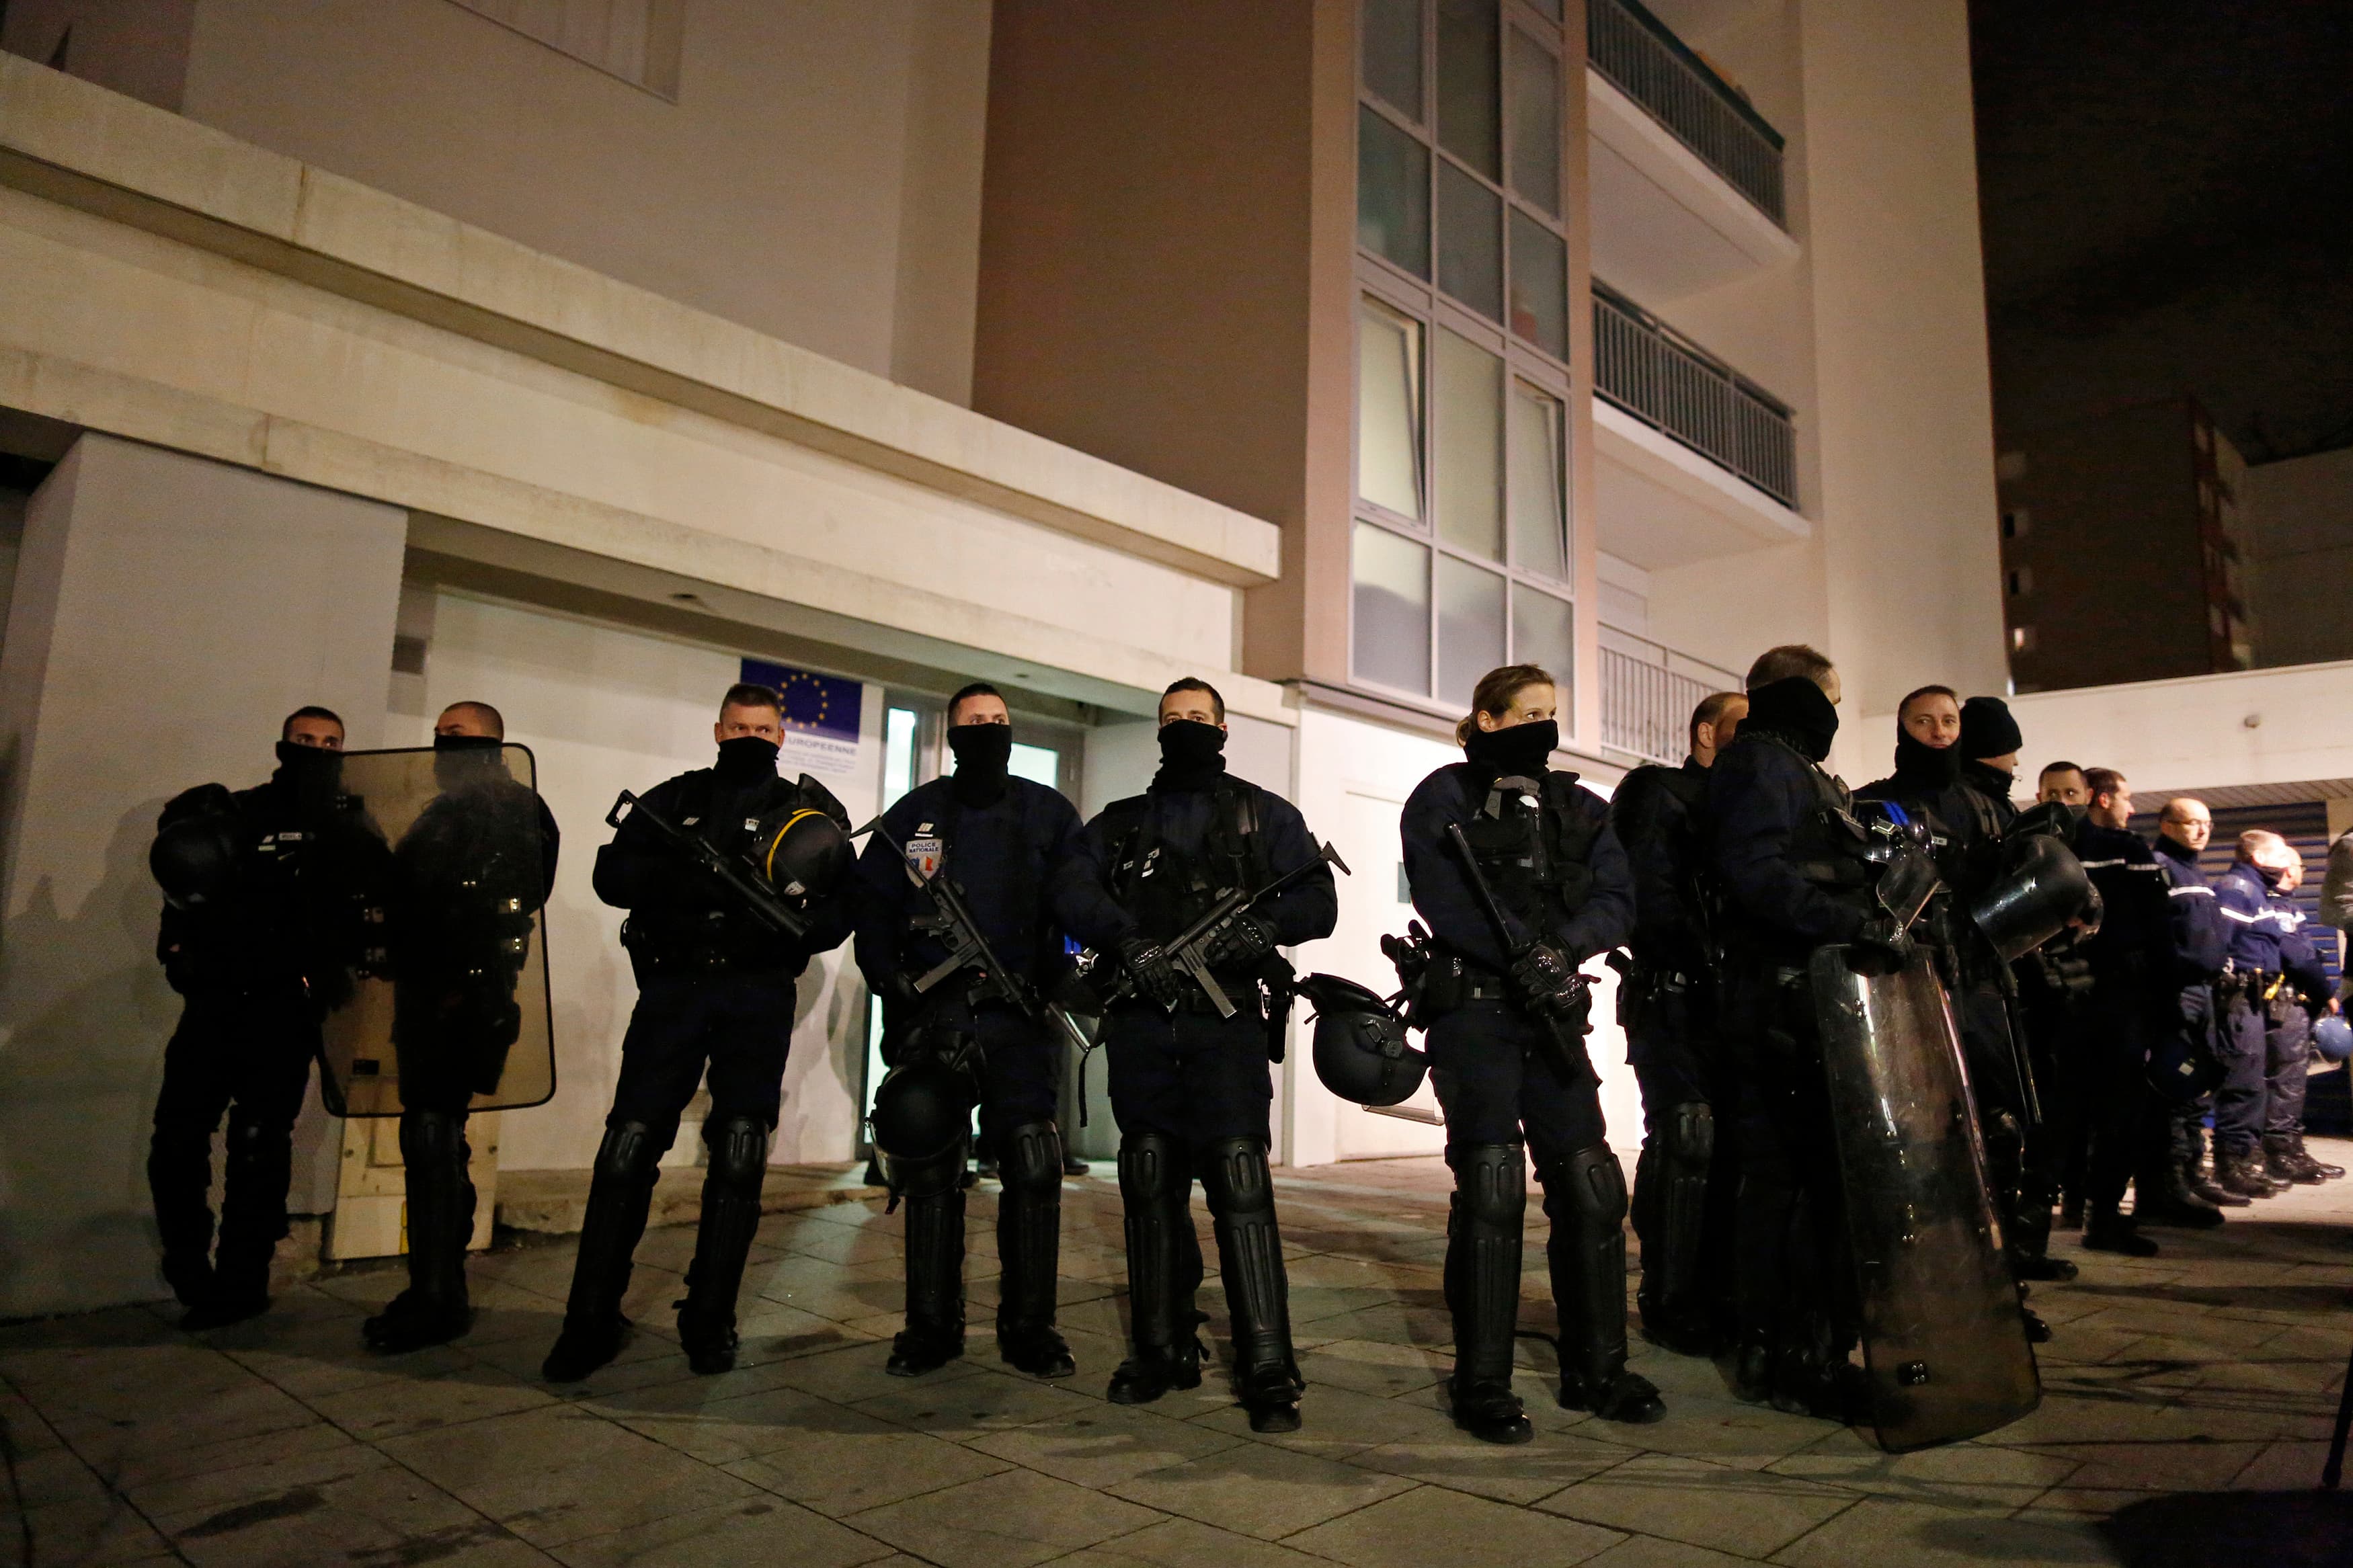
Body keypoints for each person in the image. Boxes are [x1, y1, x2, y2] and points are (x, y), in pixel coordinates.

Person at [543, 683, 854, 1381]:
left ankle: (708, 1318)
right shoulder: (673, 798)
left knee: (741, 1149)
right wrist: (691, 880)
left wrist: (792, 917)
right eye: (738, 726)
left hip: (756, 992)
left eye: (763, 728)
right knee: (626, 1147)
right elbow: (611, 873)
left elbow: (840, 907)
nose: (750, 737)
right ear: (718, 730)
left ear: (782, 736)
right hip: (674, 989)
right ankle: (588, 1320)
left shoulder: (807, 814)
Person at [1068, 678, 1337, 1434]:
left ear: (1222, 727)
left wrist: (1266, 929)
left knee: (1239, 1180)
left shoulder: (1262, 816)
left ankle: (1266, 1361)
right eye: (1172, 718)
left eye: (1198, 717)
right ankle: (1160, 1347)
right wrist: (1127, 942)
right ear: (1157, 729)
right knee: (1149, 1176)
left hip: (1226, 1027)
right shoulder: (1120, 824)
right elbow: (1071, 887)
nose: (1185, 727)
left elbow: (1318, 898)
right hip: (1146, 1023)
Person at [1401, 664, 1657, 1445]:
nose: (1543, 724)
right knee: (1491, 1186)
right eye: (1527, 712)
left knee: (1588, 1184)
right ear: (1486, 717)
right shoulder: (1441, 795)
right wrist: (1518, 956)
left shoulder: (1580, 805)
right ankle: (1482, 1381)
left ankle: (1598, 1367)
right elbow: (1441, 898)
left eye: (1552, 712)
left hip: (1551, 1014)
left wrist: (1563, 952)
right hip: (1474, 1011)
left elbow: (1618, 897)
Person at [849, 682, 1121, 1380]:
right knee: (931, 1164)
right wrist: (889, 977)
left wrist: (1071, 973)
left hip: (1019, 1016)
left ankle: (1030, 1327)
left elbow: (1078, 899)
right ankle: (928, 1327)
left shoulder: (1047, 812)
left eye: (997, 721)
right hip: (934, 1019)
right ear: (950, 733)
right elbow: (872, 902)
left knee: (1032, 1163)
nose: (986, 730)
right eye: (973, 721)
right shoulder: (915, 815)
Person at [147, 706, 379, 1329]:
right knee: (178, 1135)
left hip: (285, 1008)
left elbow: (376, 902)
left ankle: (242, 1280)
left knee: (259, 1146)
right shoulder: (240, 811)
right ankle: (188, 1261)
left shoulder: (349, 824)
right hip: (217, 999)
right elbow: (186, 890)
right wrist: (183, 960)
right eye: (306, 740)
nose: (317, 751)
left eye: (330, 743)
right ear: (284, 742)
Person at [1708, 644, 1892, 1420]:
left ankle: (1810, 1343)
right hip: (1780, 1002)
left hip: (1809, 998)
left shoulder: (1799, 769)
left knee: (1817, 1184)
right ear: (1799, 695)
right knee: (1792, 1183)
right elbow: (1755, 873)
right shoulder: (1760, 764)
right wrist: (1849, 920)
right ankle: (1789, 1355)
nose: (1836, 713)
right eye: (1831, 697)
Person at [364, 702, 560, 1352]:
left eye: (463, 738)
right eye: (443, 736)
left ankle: (439, 1295)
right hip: (424, 994)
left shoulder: (512, 809)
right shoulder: (439, 811)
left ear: (496, 744)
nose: (449, 747)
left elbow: (508, 898)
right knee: (435, 1136)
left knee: (432, 1132)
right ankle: (435, 1283)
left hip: (469, 996)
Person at [1856, 690, 2059, 1296]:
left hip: (1983, 989)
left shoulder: (1989, 807)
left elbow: (2029, 883)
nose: (1939, 731)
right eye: (1925, 720)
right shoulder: (1875, 801)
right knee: (1914, 1134)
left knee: (1998, 1129)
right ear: (1902, 725)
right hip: (1908, 987)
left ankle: (1997, 1284)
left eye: (1949, 721)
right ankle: (1915, 1276)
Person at [1607, 689, 1746, 1358]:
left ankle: (1726, 1289)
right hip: (1674, 995)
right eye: (1739, 727)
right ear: (1703, 731)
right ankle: (1668, 1295)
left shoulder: (1763, 806)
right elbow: (1643, 894)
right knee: (1687, 1130)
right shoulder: (1660, 791)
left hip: (1745, 1005)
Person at [2059, 769, 2168, 1253]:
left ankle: (2100, 1211)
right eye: (2053, 793)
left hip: (2113, 995)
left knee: (2113, 1110)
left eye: (2070, 792)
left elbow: (2156, 926)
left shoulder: (2125, 849)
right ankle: (2087, 1210)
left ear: (2086, 796)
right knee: (2085, 1109)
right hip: (2081, 998)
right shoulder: (2039, 848)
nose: (2062, 801)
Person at [2146, 797, 2237, 1221]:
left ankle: (2193, 1173)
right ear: (2167, 825)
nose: (2201, 831)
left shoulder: (2195, 872)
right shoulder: (2158, 866)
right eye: (2191, 823)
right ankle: (2171, 1184)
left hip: (2204, 992)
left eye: (2207, 823)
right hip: (2177, 992)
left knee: (2199, 1083)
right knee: (2176, 1085)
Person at [2212, 831, 2303, 1198]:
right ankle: (2233, 1164)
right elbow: (2220, 943)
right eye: (2280, 855)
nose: (2286, 864)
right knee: (2241, 1083)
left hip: (2252, 998)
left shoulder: (2255, 891)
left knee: (2251, 1083)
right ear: (2258, 857)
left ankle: (2246, 1159)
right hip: (2236, 999)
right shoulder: (2236, 889)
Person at [2262, 851, 2338, 1184]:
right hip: (2283, 1003)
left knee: (2292, 1080)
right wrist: (2326, 994)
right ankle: (2281, 1155)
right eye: (2300, 864)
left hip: (2294, 1002)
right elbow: (2299, 958)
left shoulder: (2286, 903)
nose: (2302, 871)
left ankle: (2291, 1149)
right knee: (2287, 1081)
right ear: (2285, 868)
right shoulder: (2274, 905)